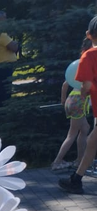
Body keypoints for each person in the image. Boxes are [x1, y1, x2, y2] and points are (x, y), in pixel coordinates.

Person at [60, 17, 97, 194]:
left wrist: (83, 94)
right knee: (92, 141)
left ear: (88, 34)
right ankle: (76, 179)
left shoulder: (89, 56)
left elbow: (86, 85)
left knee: (92, 140)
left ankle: (76, 180)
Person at [52, 38, 93, 172]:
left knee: (85, 128)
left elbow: (65, 84)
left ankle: (79, 161)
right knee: (72, 134)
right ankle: (57, 162)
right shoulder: (89, 64)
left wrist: (63, 100)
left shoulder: (78, 64)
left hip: (71, 99)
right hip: (79, 102)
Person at [0, 11, 19, 109]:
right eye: (4, 18)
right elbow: (14, 47)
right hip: (4, 67)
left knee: (2, 92)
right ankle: (4, 112)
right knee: (5, 93)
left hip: (1, 67)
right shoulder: (1, 35)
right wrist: (16, 43)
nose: (6, 21)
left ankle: (2, 112)